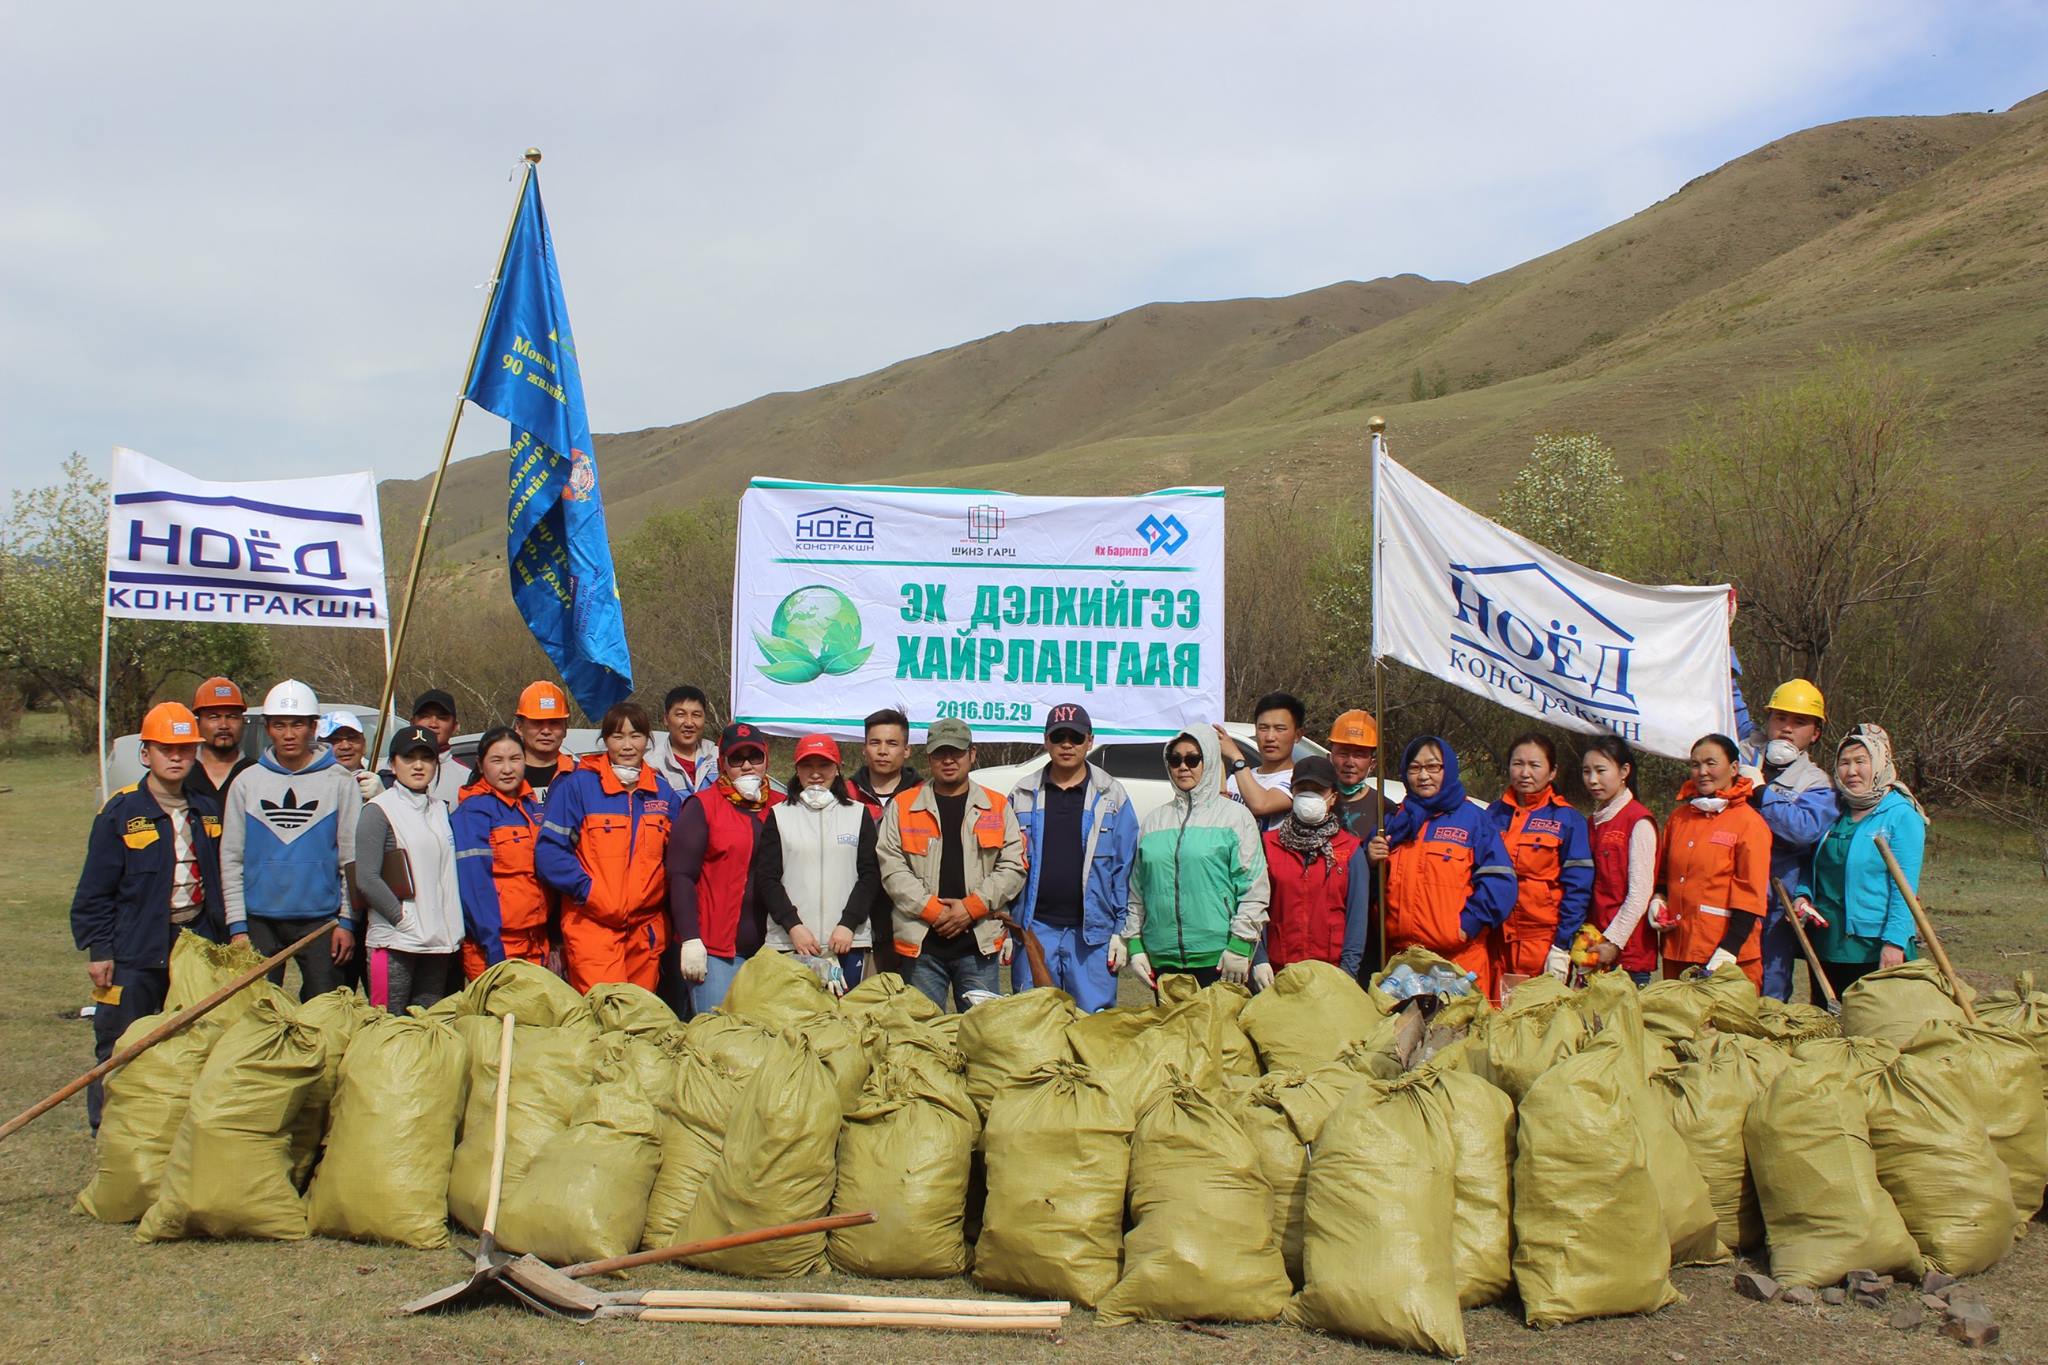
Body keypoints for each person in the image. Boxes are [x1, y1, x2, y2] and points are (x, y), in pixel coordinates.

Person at [70, 702, 224, 1129]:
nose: (176, 758)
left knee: (192, 1041)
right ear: (146, 754)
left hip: (194, 945)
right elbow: (94, 892)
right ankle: (109, 1132)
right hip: (134, 952)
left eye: (185, 749)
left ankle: (169, 1131)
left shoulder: (206, 809)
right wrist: (100, 950)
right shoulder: (119, 813)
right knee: (120, 1044)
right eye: (165, 749)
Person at [221, 679, 362, 1000]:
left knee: (323, 1017)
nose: (288, 734)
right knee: (256, 1019)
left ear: (313, 727)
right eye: (280, 725)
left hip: (322, 923)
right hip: (259, 923)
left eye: (297, 724)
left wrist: (346, 921)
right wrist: (238, 927)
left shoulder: (339, 781)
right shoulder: (246, 782)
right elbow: (231, 859)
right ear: (268, 728)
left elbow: (350, 859)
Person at [877, 718, 1027, 1010]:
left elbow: (1013, 867)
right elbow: (892, 868)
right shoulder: (903, 806)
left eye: (956, 752)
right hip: (922, 947)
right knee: (923, 1038)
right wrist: (933, 912)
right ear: (929, 757)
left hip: (978, 946)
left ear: (972, 754)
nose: (948, 760)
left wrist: (971, 909)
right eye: (939, 753)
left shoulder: (996, 806)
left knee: (980, 1039)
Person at [537, 702, 676, 992]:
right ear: (605, 740)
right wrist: (588, 891)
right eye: (617, 736)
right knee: (604, 1017)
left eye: (635, 735)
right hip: (593, 926)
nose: (627, 745)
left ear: (648, 740)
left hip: (645, 931)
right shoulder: (579, 786)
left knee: (640, 1022)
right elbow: (550, 853)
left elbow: (677, 860)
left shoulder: (662, 793)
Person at [1008, 703, 1139, 1012]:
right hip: (1035, 927)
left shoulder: (1112, 795)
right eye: (1059, 736)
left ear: (1089, 741)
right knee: (1033, 1020)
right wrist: (1006, 928)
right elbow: (1006, 865)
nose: (1067, 744)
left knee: (1092, 1024)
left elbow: (1127, 869)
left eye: (1076, 737)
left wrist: (1122, 932)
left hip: (1092, 934)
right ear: (1046, 741)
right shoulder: (1022, 793)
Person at [1115, 727, 1268, 990]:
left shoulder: (1235, 818)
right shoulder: (1153, 821)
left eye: (1192, 759)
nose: (1183, 767)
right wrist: (1136, 944)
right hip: (1162, 960)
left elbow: (1253, 888)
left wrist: (1241, 944)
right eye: (1175, 760)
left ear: (1208, 760)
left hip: (1220, 958)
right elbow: (1137, 891)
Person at [1364, 736, 1515, 1001]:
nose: (1423, 776)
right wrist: (1370, 859)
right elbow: (1369, 885)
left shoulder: (1474, 820)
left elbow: (1500, 882)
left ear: (1449, 770)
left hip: (1457, 964)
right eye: (1415, 768)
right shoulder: (1392, 823)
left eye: (1433, 767)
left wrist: (1467, 925)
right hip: (1402, 966)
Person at [1791, 723, 1927, 1002]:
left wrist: (1895, 942)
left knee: (1873, 1030)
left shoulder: (1901, 816)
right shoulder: (1834, 810)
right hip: (1828, 945)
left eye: (1860, 762)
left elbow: (1905, 889)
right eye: (1844, 763)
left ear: (1879, 763)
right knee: (1827, 1026)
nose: (1851, 771)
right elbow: (1814, 865)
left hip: (1874, 947)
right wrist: (1802, 894)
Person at [668, 722, 783, 1010]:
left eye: (754, 757)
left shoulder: (783, 806)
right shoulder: (702, 806)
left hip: (773, 950)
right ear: (723, 764)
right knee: (719, 1039)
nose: (747, 766)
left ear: (766, 759)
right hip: (716, 951)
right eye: (737, 759)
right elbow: (681, 876)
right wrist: (691, 939)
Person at [752, 734, 879, 994]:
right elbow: (767, 878)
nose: (816, 773)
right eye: (808, 765)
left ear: (837, 769)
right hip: (791, 945)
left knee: (845, 1026)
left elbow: (870, 875)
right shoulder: (779, 815)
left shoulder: (858, 814)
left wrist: (848, 924)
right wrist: (793, 926)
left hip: (847, 943)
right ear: (797, 770)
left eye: (824, 765)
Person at [1739, 679, 1838, 1001]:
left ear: (1815, 733)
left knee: (1770, 990)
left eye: (1799, 722)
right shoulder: (1745, 752)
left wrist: (1761, 793)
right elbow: (1726, 696)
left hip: (1776, 905)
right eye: (1780, 718)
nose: (1786, 728)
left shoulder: (1817, 783)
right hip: (1729, 892)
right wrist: (1723, 644)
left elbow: (1803, 829)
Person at [355, 725, 463, 1014]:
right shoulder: (378, 810)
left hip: (437, 943)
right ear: (393, 764)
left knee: (425, 1028)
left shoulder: (441, 809)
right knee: (385, 1025)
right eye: (408, 757)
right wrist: (402, 919)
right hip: (394, 942)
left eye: (426, 758)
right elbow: (366, 877)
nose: (418, 765)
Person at [1650, 734, 1771, 989]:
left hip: (1726, 957)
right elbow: (1664, 875)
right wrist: (1659, 899)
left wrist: (1729, 948)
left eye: (1711, 763)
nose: (1702, 771)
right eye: (1695, 764)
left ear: (1734, 768)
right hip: (1678, 950)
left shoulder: (1749, 823)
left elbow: (1751, 894)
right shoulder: (1678, 819)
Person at [1485, 733, 1594, 984]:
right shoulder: (1492, 814)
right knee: (1492, 1016)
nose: (1525, 773)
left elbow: (1578, 889)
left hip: (1541, 940)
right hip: (1494, 939)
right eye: (1518, 764)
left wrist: (1561, 947)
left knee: (1536, 1018)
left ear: (1552, 772)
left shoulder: (1567, 820)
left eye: (1535, 765)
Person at [453, 726, 556, 980]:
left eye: (515, 759)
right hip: (496, 945)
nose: (508, 769)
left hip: (536, 940)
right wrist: (492, 946)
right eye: (497, 761)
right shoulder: (474, 812)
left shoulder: (532, 807)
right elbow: (474, 885)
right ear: (480, 764)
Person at [1261, 755, 1371, 982]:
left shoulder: (1350, 850)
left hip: (1331, 974)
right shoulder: (1267, 845)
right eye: (1302, 790)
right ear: (1292, 794)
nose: (1308, 796)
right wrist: (1260, 961)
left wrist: (1348, 974)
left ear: (1332, 797)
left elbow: (1357, 919)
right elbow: (1256, 909)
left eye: (1317, 790)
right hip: (1279, 972)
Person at [1581, 735, 1658, 986]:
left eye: (1601, 770)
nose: (1592, 780)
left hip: (1628, 956)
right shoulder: (1592, 822)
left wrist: (1613, 941)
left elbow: (1640, 893)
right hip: (1594, 947)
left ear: (1624, 771)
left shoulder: (1638, 821)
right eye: (1586, 771)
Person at [1216, 691, 1303, 828]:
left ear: (1297, 735)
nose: (1270, 737)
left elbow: (1260, 805)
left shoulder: (1298, 781)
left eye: (1279, 729)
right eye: (1263, 728)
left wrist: (1236, 756)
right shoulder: (1236, 779)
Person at [385, 688, 467, 806]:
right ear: (412, 722)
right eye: (425, 716)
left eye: (442, 717)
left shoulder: (466, 777)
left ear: (455, 726)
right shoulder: (382, 768)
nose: (433, 724)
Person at [187, 676, 254, 806]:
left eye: (232, 717)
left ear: (243, 722)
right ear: (197, 723)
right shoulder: (182, 773)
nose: (224, 725)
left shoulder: (256, 774)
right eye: (214, 717)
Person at [648, 685, 720, 798]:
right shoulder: (652, 765)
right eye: (680, 714)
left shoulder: (718, 757)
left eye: (696, 715)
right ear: (666, 719)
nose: (689, 723)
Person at [850, 707, 921, 818]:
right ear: (864, 749)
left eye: (892, 744)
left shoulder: (923, 794)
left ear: (906, 751)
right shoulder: (845, 794)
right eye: (875, 743)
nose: (882, 751)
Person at [513, 680, 576, 801]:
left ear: (565, 728)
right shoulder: (504, 777)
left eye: (554, 723)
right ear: (519, 727)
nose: (546, 731)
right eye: (537, 723)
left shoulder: (581, 776)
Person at [1327, 709, 1383, 837]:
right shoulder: (1317, 800)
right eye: (1343, 753)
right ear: (1329, 757)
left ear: (1372, 763)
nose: (1350, 762)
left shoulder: (1383, 808)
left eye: (1359, 755)